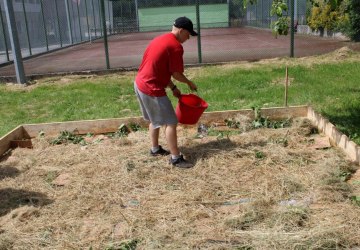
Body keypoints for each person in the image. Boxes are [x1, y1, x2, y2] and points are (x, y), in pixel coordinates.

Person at [134, 16, 198, 168]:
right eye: (188, 35)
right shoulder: (176, 46)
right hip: (151, 88)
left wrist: (173, 88)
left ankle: (155, 149)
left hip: (139, 83)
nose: (188, 38)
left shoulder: (160, 39)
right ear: (181, 31)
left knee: (153, 119)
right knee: (171, 122)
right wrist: (189, 82)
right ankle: (176, 158)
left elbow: (160, 70)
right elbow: (176, 73)